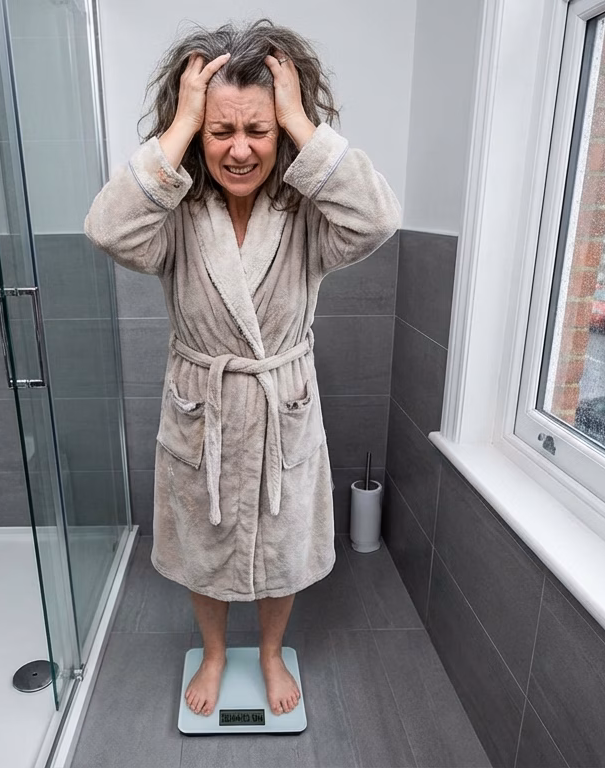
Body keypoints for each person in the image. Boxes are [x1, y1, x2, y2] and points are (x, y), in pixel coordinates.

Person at [84, 19, 400, 718]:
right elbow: (107, 229)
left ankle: (269, 651)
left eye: (258, 129)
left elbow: (377, 219)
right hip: (205, 408)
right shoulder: (176, 209)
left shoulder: (307, 210)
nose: (239, 149)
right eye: (219, 130)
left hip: (280, 404)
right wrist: (180, 123)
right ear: (198, 132)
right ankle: (216, 652)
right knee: (205, 539)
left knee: (281, 543)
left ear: (281, 131)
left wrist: (300, 121)